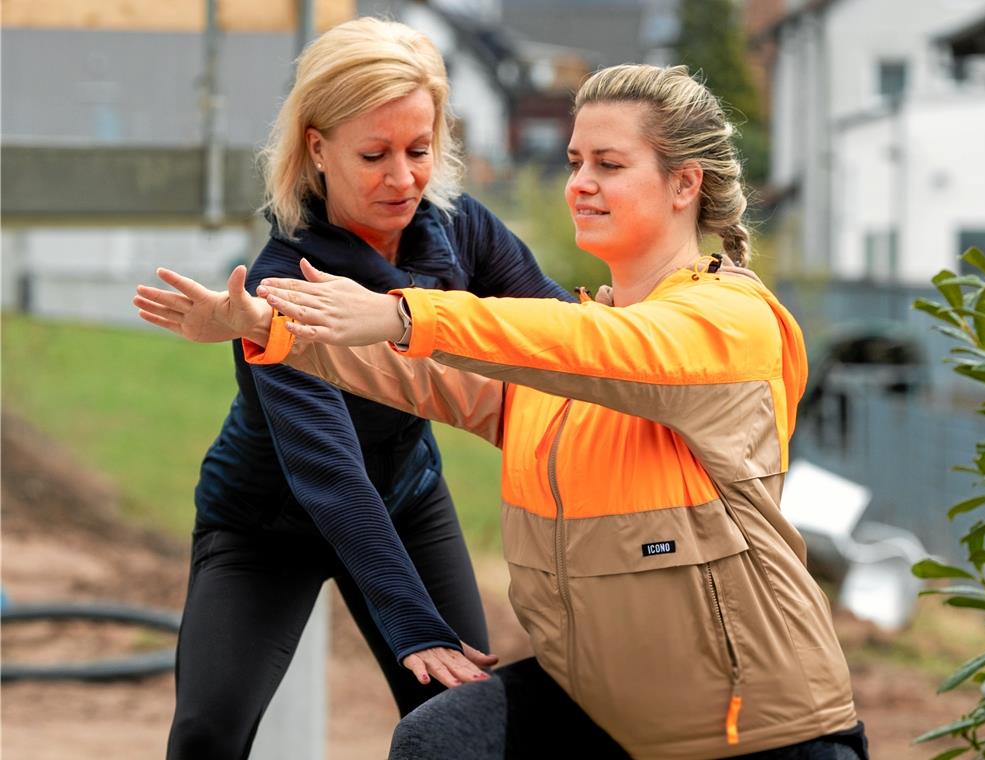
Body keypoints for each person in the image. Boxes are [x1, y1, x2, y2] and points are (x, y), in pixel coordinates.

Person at [137, 64, 869, 759]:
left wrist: (400, 314)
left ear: (685, 183)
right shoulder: (576, 353)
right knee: (443, 741)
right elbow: (444, 381)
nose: (580, 184)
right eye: (576, 162)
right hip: (607, 718)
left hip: (760, 732)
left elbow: (598, 347)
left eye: (609, 165)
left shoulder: (728, 321)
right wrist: (264, 327)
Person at [132, 17, 572, 760]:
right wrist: (414, 622)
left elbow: (556, 334)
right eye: (374, 154)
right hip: (265, 525)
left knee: (463, 719)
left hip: (405, 498)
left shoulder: (461, 231)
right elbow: (331, 475)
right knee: (209, 731)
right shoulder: (277, 284)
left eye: (419, 150)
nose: (402, 178)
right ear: (317, 149)